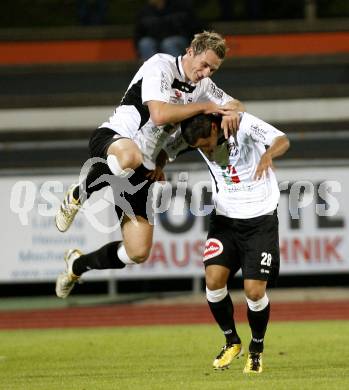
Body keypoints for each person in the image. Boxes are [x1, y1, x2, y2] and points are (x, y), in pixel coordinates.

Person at [54, 31, 244, 299]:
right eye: (203, 65)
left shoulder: (204, 87)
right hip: (114, 139)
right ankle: (79, 192)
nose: (206, 73)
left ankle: (76, 265)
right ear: (191, 50)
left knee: (138, 251)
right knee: (129, 158)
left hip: (142, 170)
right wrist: (204, 108)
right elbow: (159, 114)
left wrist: (232, 111)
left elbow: (236, 104)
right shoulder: (160, 65)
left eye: (212, 69)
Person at [167, 111, 290, 373]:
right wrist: (156, 163)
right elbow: (165, 149)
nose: (207, 151)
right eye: (200, 149)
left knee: (254, 292)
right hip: (225, 219)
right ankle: (232, 341)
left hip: (260, 221)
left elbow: (282, 140)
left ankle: (256, 349)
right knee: (212, 281)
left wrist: (268, 154)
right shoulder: (194, 135)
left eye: (207, 144)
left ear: (214, 127)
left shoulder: (241, 123)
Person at [134, 0, 201, 60]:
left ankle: (176, 71)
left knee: (168, 43)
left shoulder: (180, 6)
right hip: (155, 42)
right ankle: (152, 72)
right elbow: (139, 34)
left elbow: (194, 27)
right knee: (145, 43)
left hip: (180, 41)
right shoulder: (144, 11)